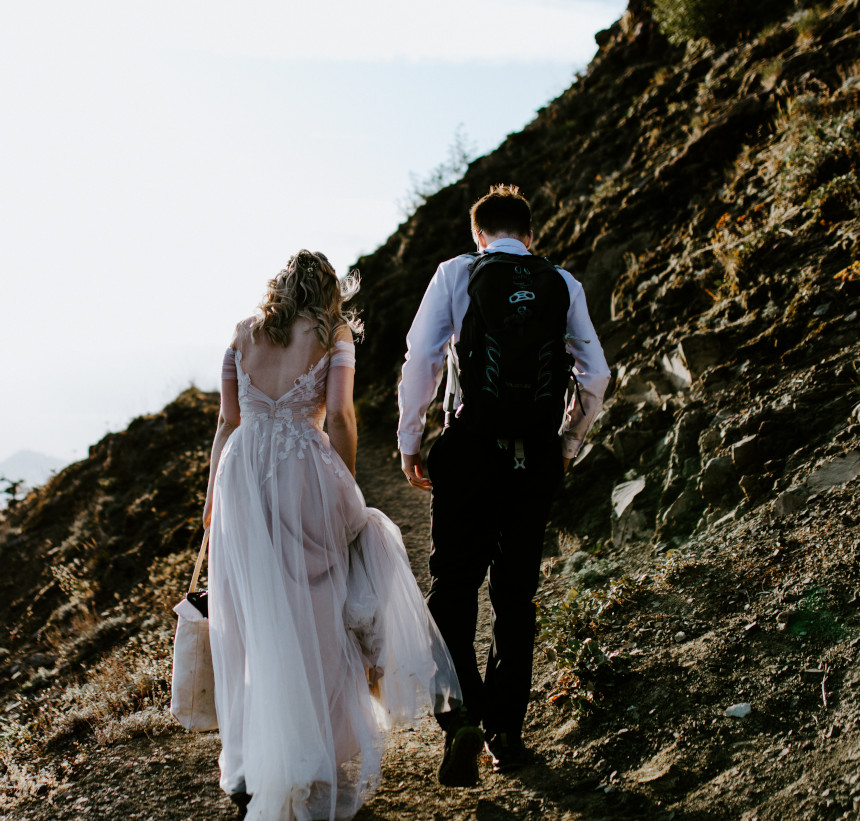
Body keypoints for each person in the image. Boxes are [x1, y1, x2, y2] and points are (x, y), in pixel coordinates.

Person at [203, 250, 461, 821]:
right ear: (328, 292)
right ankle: (311, 751)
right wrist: (342, 482)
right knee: (314, 611)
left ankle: (255, 758)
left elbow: (227, 423)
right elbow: (341, 417)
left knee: (254, 620)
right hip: (301, 472)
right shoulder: (331, 332)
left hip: (241, 475)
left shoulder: (243, 334)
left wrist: (212, 502)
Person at [397, 184, 609, 785]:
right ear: (531, 234)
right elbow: (596, 373)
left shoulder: (457, 273)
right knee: (516, 593)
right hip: (534, 455)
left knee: (454, 586)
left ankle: (461, 713)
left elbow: (422, 358)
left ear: (477, 234)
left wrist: (411, 440)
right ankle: (507, 733)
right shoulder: (561, 282)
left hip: (468, 450)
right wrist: (567, 443)